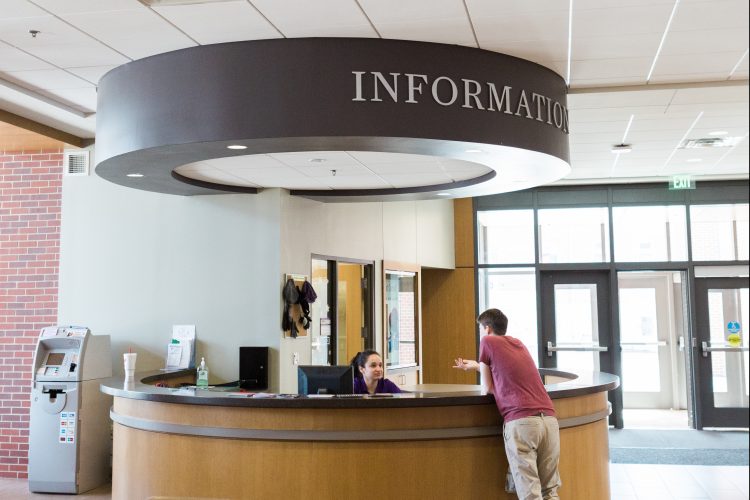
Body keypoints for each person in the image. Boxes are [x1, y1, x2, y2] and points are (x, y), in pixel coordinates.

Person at [453, 308, 560, 500]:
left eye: (480, 329)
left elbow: (487, 387)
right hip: (549, 420)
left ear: (486, 329)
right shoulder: (518, 344)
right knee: (549, 491)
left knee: (530, 493)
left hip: (522, 422)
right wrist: (478, 366)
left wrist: (483, 369)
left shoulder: (487, 341)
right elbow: (509, 372)